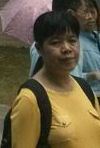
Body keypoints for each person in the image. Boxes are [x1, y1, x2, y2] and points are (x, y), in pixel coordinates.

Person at [9, 11, 100, 147]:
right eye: (55, 42)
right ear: (39, 49)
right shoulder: (30, 99)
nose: (67, 48)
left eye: (72, 40)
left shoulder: (84, 88)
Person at [29, 0, 89, 77]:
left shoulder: (77, 41)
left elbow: (73, 77)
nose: (88, 16)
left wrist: (91, 75)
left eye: (72, 41)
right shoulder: (43, 45)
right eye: (85, 12)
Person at [80, 0, 100, 97]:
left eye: (92, 11)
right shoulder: (75, 42)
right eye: (85, 12)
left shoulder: (97, 36)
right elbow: (70, 76)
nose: (90, 17)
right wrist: (93, 75)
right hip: (91, 95)